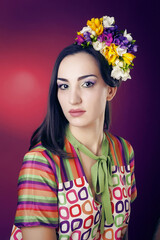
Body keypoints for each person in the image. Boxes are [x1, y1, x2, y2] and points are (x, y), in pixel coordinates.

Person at [10, 15, 137, 240]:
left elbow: (122, 230)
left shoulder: (124, 151)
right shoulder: (41, 163)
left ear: (110, 90)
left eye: (87, 84)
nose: (73, 99)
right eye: (64, 86)